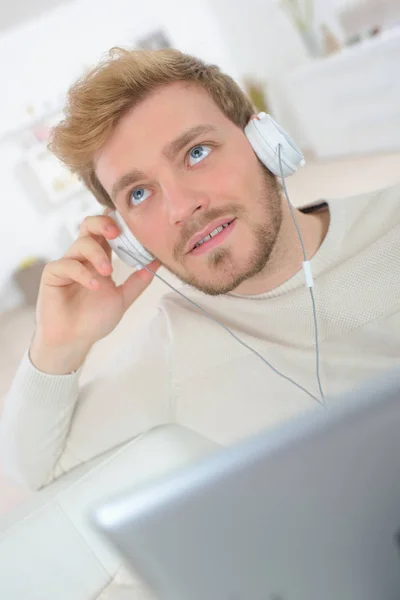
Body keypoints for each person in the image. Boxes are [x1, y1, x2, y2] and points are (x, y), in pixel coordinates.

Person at [1, 47, 399, 491]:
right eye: (137, 194)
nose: (181, 206)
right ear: (127, 237)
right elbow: (31, 471)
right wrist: (58, 347)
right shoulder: (170, 351)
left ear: (264, 142)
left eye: (196, 152)